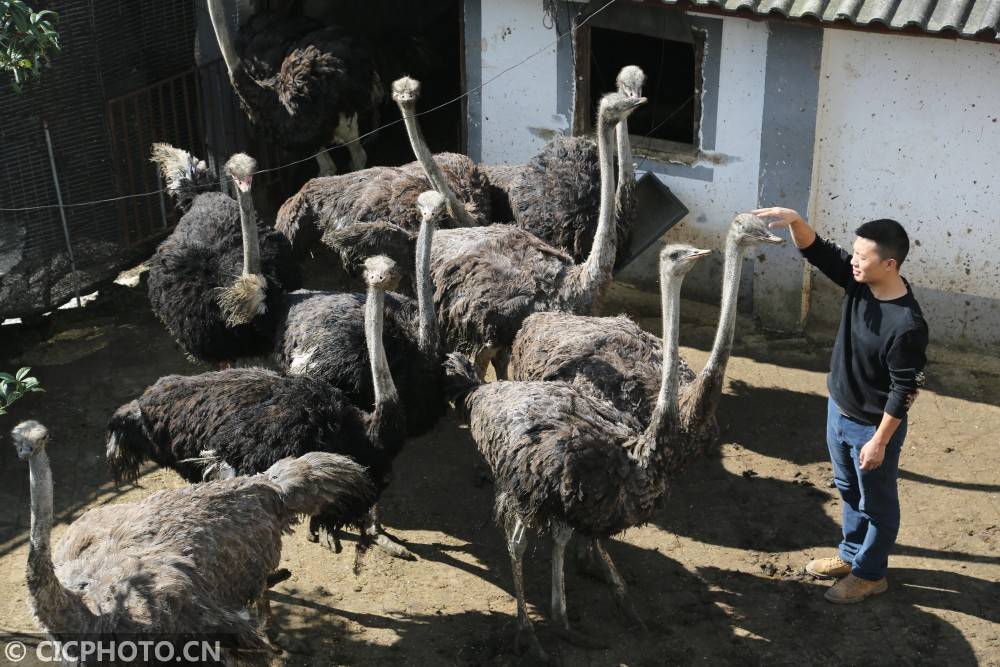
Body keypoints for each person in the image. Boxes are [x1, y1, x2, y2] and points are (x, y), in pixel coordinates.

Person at [753, 207, 928, 604]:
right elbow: (820, 253)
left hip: (871, 428)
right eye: (853, 252)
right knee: (849, 491)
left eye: (861, 257)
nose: (852, 261)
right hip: (839, 411)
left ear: (889, 264)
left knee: (878, 505)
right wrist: (797, 222)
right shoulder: (860, 284)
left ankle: (870, 574)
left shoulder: (907, 326)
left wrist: (880, 442)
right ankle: (851, 555)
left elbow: (906, 389)